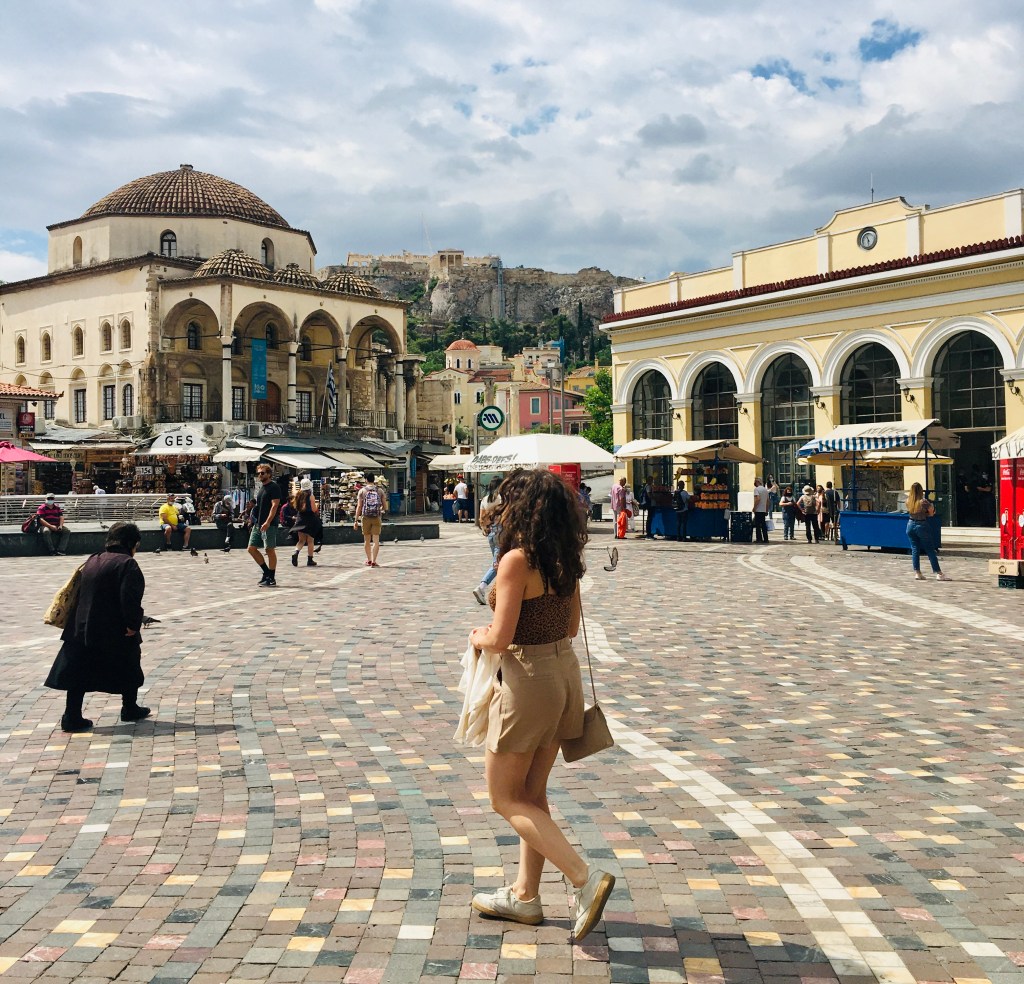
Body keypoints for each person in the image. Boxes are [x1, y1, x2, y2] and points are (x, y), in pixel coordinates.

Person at [468, 468, 615, 941]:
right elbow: (570, 627)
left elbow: (501, 636)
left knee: (504, 797)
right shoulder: (565, 560)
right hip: (563, 677)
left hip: (527, 681)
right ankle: (525, 896)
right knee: (531, 794)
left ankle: (583, 878)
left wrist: (479, 635)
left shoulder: (516, 561)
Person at [44, 522, 150, 732]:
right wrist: (132, 625)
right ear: (131, 543)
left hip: (81, 626)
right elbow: (129, 599)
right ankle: (129, 708)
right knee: (129, 663)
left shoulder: (93, 559)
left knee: (78, 672)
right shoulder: (127, 564)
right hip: (113, 628)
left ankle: (71, 716)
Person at [906, 482, 951, 581]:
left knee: (914, 549)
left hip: (910, 524)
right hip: (921, 525)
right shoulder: (923, 501)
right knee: (930, 549)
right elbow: (931, 512)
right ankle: (939, 573)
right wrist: (928, 512)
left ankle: (917, 572)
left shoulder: (908, 500)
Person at [248, 465, 282, 587]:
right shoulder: (262, 488)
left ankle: (271, 577)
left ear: (269, 474)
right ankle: (266, 572)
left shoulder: (274, 487)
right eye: (259, 473)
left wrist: (267, 522)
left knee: (269, 549)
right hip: (258, 524)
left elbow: (274, 506)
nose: (260, 475)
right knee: (251, 549)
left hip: (269, 524)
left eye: (262, 473)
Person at [473, 477, 503, 605]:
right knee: (498, 563)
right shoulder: (501, 498)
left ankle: (499, 589)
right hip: (501, 530)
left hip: (490, 532)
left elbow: (481, 519)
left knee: (498, 563)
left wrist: (486, 529)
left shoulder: (485, 500)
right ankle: (481, 587)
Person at [355, 473, 387, 567]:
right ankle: (374, 561)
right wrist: (382, 509)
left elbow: (359, 506)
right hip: (376, 517)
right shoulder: (380, 490)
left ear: (366, 480)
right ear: (374, 480)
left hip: (365, 517)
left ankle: (369, 560)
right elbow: (385, 505)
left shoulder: (362, 491)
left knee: (367, 540)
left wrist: (356, 519)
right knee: (376, 540)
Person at [290, 478, 320, 568]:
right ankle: (310, 560)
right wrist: (317, 506)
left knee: (301, 540)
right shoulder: (311, 496)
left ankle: (296, 552)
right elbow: (314, 509)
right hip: (310, 519)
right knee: (310, 540)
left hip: (300, 518)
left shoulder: (298, 495)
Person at [751, 477, 770, 543]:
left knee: (758, 525)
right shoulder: (765, 490)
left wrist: (754, 507)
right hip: (763, 509)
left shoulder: (756, 489)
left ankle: (759, 538)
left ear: (757, 482)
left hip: (758, 510)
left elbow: (758, 499)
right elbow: (768, 501)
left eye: (755, 482)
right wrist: (766, 510)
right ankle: (766, 538)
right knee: (763, 525)